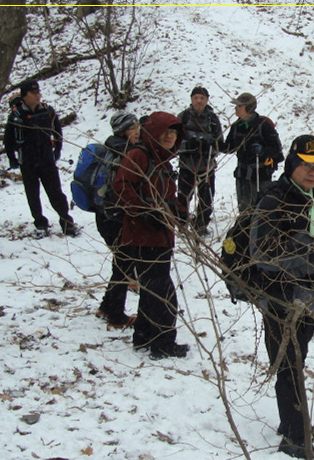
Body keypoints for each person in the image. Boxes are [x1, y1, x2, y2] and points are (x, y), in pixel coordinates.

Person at [250, 135, 314, 459]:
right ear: (292, 162)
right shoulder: (273, 201)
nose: (313, 172)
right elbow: (261, 254)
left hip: (308, 293)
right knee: (289, 363)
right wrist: (309, 248)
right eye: (307, 164)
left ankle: (294, 422)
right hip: (279, 295)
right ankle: (293, 437)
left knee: (297, 358)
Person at [112, 111, 190, 360]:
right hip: (143, 236)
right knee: (161, 293)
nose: (169, 137)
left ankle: (143, 337)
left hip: (159, 236)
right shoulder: (139, 155)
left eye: (174, 132)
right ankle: (163, 343)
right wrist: (145, 213)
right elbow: (121, 187)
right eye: (165, 132)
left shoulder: (161, 160)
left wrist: (179, 212)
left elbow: (165, 197)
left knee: (151, 289)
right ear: (153, 132)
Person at [4, 79, 79, 238]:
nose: (38, 95)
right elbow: (8, 140)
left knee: (56, 192)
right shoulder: (16, 116)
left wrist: (57, 150)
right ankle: (40, 223)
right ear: (25, 96)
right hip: (28, 162)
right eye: (34, 93)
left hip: (47, 160)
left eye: (38, 92)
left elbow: (57, 132)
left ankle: (66, 222)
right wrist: (12, 158)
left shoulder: (47, 111)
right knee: (33, 194)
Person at [94, 112, 141, 329]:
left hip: (104, 216)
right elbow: (121, 189)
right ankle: (116, 316)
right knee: (124, 265)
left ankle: (107, 306)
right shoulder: (125, 154)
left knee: (121, 264)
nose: (138, 131)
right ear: (123, 132)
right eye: (133, 128)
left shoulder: (111, 148)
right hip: (115, 217)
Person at [221, 92, 284, 212]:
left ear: (249, 108)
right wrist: (214, 142)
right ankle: (245, 230)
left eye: (239, 106)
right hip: (242, 174)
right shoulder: (236, 126)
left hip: (261, 175)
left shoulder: (263, 125)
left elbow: (277, 151)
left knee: (261, 208)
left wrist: (263, 151)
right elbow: (230, 148)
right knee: (244, 209)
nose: (236, 108)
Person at [177, 86, 223, 236]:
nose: (199, 101)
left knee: (206, 197)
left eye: (202, 98)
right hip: (187, 164)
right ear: (191, 99)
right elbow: (174, 141)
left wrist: (208, 146)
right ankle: (181, 224)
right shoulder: (183, 117)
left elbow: (219, 142)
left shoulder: (213, 120)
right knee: (184, 196)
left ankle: (201, 226)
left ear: (207, 100)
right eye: (196, 98)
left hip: (206, 165)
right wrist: (187, 145)